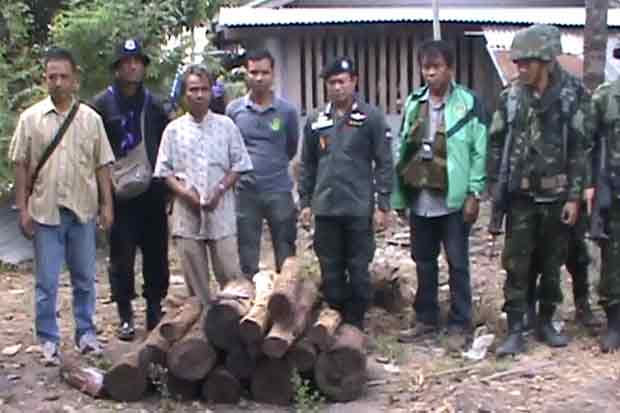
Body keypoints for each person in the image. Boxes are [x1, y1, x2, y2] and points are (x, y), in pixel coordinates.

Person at [9, 47, 115, 364]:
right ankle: (48, 340)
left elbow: (102, 166)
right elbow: (22, 165)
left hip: (82, 210)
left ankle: (86, 334)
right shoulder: (30, 119)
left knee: (85, 277)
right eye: (52, 76)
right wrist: (23, 209)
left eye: (63, 76)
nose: (58, 82)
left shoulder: (91, 120)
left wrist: (107, 205)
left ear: (75, 80)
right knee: (47, 281)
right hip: (45, 211)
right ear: (45, 79)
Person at [488, 24, 588, 356]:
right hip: (521, 198)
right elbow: (496, 143)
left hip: (557, 196)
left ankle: (546, 321)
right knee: (517, 263)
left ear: (545, 61)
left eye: (526, 63)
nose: (520, 69)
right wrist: (494, 189)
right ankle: (517, 326)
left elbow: (579, 149)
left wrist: (574, 196)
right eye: (517, 63)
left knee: (551, 262)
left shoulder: (572, 94)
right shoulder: (511, 97)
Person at [392, 40, 488, 347]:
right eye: (426, 68)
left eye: (436, 67)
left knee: (457, 261)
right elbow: (402, 147)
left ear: (450, 69)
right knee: (423, 260)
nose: (430, 74)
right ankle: (426, 318)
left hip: (454, 200)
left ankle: (461, 321)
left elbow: (479, 151)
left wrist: (474, 192)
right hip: (420, 197)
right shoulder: (414, 102)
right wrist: (399, 196)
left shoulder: (468, 103)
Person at [298, 57, 392, 329]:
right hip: (326, 208)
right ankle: (334, 321)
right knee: (330, 270)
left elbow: (384, 162)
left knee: (359, 270)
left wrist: (383, 205)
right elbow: (308, 164)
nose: (337, 87)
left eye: (342, 81)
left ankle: (356, 324)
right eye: (332, 83)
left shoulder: (371, 118)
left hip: (358, 209)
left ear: (354, 81)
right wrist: (305, 202)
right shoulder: (317, 119)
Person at [154, 64, 253, 307]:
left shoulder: (226, 126)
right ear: (184, 94)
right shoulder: (173, 130)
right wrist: (184, 193)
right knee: (196, 286)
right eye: (193, 89)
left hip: (221, 212)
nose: (199, 95)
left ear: (211, 92)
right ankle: (200, 333)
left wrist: (220, 189)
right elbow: (164, 171)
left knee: (231, 278)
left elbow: (239, 164)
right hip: (186, 215)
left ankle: (233, 326)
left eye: (204, 89)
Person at [91, 39, 171, 340]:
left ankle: (154, 307)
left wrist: (170, 188)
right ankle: (125, 313)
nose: (133, 66)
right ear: (117, 67)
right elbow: (93, 150)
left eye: (137, 61)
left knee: (156, 251)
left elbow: (167, 143)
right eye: (126, 61)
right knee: (121, 255)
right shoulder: (101, 105)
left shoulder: (155, 104)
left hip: (151, 190)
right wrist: (102, 197)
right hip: (118, 191)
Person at [522, 25, 598, 331]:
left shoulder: (575, 92)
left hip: (570, 188)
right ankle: (529, 313)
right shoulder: (519, 93)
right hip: (532, 192)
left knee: (576, 252)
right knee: (532, 256)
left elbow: (584, 146)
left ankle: (582, 305)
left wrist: (578, 191)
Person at [226, 48, 299, 276]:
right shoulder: (234, 110)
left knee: (286, 251)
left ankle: (287, 301)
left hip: (279, 191)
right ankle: (250, 302)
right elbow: (230, 150)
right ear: (246, 73)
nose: (259, 78)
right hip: (245, 192)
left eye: (264, 72)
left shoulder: (286, 111)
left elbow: (291, 147)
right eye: (253, 72)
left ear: (273, 74)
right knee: (247, 253)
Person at [586, 43, 620, 352]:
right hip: (615, 188)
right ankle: (615, 322)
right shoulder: (606, 97)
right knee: (613, 258)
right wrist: (589, 186)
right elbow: (588, 144)